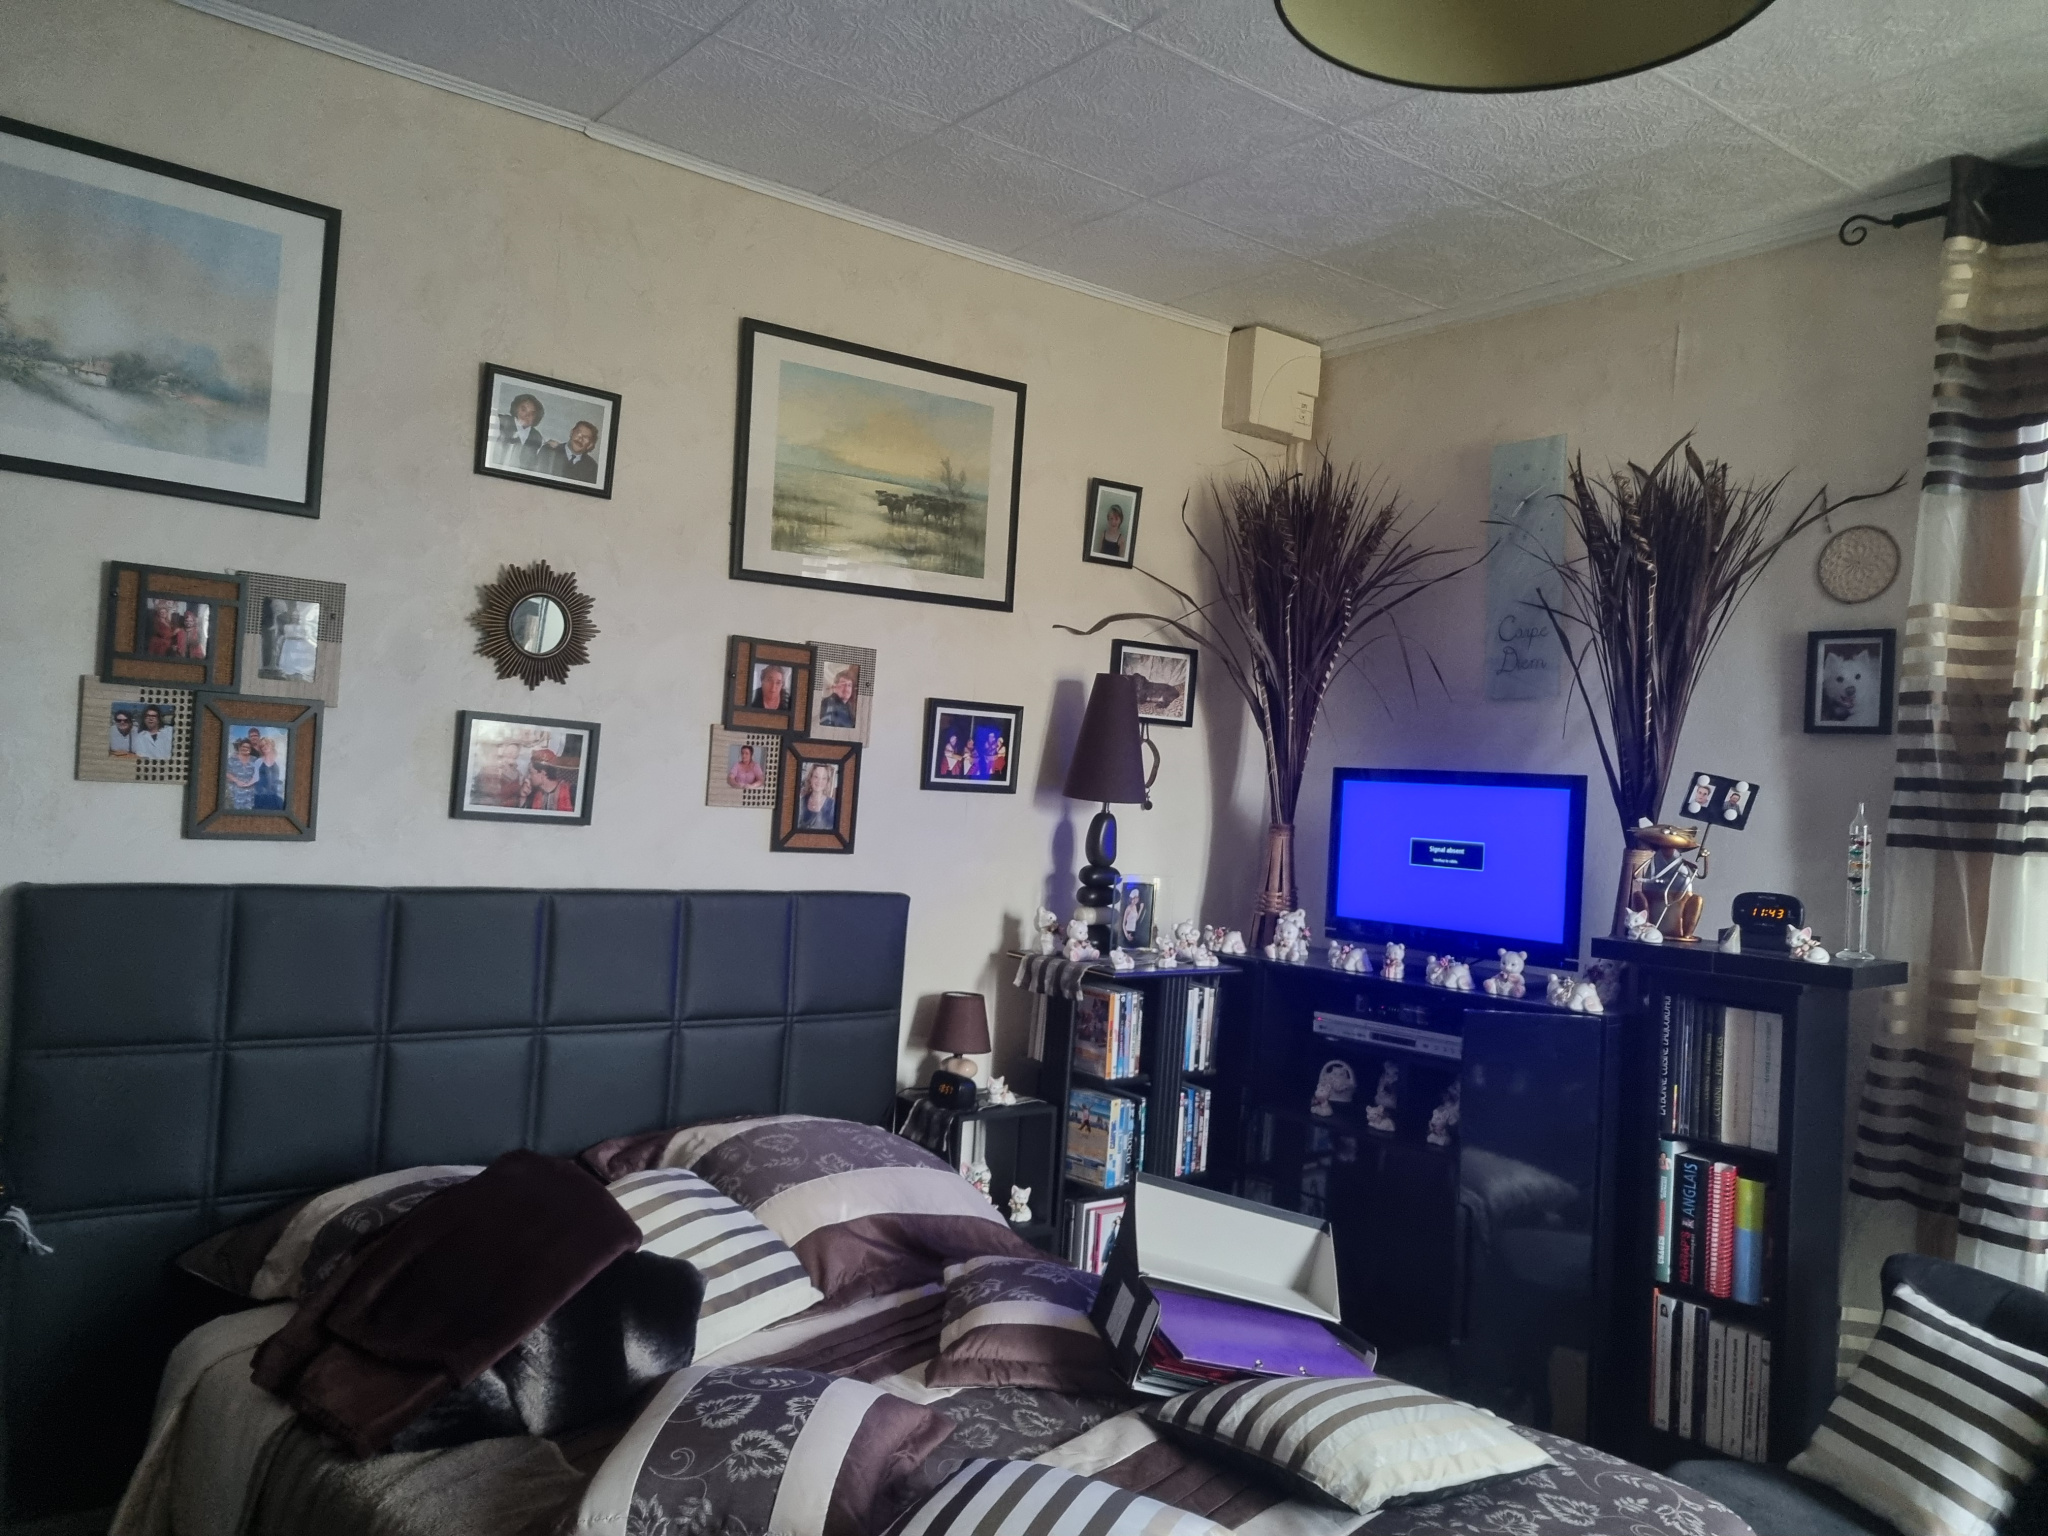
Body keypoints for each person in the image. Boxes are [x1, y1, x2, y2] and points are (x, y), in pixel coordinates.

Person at [493, 393, 549, 472]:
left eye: (532, 414)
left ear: (536, 417)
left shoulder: (538, 438)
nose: (527, 415)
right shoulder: (500, 421)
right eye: (523, 410)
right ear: (516, 409)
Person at [470, 737, 525, 808]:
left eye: (515, 752)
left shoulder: (519, 774)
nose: (513, 754)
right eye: (510, 752)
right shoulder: (491, 769)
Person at [796, 762, 837, 831]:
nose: (819, 781)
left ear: (827, 782)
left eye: (823, 778)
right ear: (810, 778)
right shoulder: (801, 802)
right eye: (816, 777)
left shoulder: (833, 805)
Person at [252, 731, 286, 810]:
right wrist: (242, 783)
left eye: (266, 744)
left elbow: (283, 779)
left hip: (277, 796)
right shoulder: (258, 761)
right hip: (260, 796)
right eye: (262, 746)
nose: (264, 747)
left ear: (271, 745)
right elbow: (255, 778)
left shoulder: (281, 760)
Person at [224, 736, 259, 810]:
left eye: (248, 747)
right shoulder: (232, 759)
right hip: (236, 792)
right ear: (239, 747)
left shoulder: (255, 760)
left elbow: (258, 774)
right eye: (243, 746)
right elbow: (226, 772)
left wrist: (250, 783)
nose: (245, 748)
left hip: (251, 793)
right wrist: (237, 781)